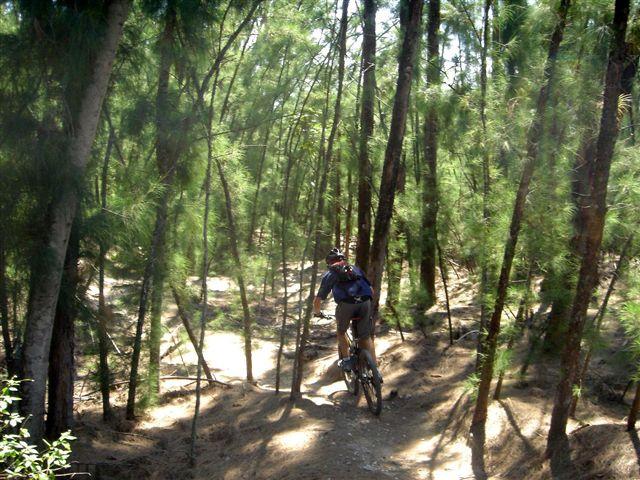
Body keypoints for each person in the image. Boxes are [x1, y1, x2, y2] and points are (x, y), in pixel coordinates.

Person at [313, 247, 377, 371]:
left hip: (347, 304)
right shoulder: (356, 269)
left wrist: (318, 313)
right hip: (366, 301)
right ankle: (375, 370)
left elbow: (318, 300)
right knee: (366, 337)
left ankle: (347, 361)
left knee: (341, 332)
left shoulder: (331, 273)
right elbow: (372, 290)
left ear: (329, 262)